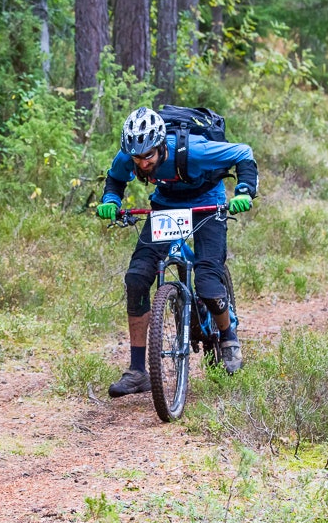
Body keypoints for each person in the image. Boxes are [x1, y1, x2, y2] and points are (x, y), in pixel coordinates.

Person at [96, 106, 259, 398]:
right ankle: (137, 371)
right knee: (137, 278)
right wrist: (110, 200)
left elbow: (243, 153)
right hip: (166, 207)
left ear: (161, 146)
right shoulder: (130, 155)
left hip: (208, 203)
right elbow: (116, 179)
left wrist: (244, 191)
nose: (142, 163)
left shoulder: (194, 151)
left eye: (148, 156)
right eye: (137, 158)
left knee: (207, 282)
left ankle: (228, 338)